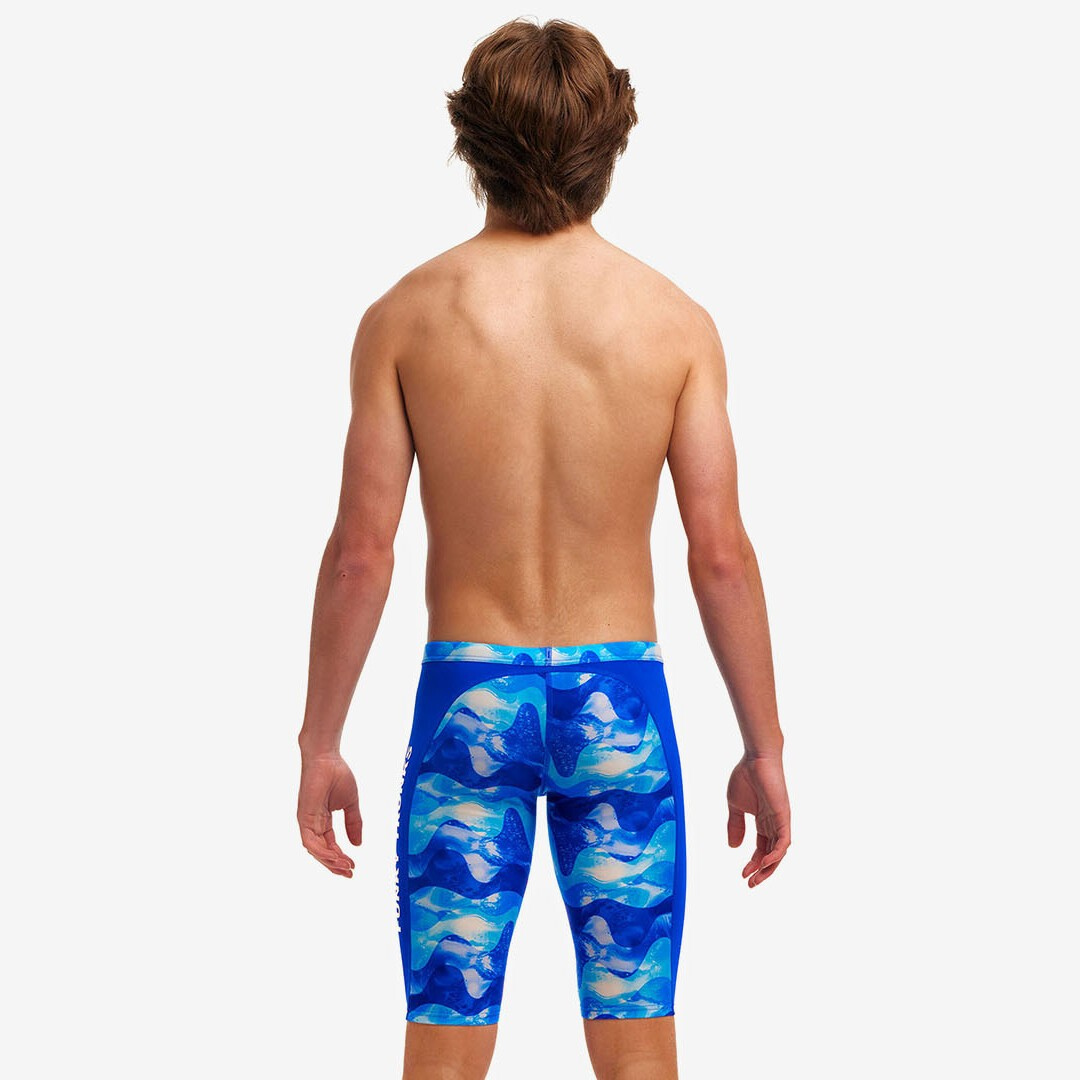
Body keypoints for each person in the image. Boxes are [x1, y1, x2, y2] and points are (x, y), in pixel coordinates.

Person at [296, 16, 791, 1080]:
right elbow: (720, 556)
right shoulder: (674, 323)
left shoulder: (406, 318)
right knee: (639, 1054)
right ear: (611, 144)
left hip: (470, 700)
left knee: (443, 1049)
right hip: (620, 708)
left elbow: (360, 556)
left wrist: (319, 742)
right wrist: (765, 748)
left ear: (470, 141)